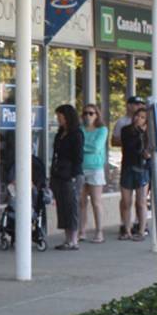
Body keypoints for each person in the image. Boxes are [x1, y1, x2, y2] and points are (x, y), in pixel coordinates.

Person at [50, 105, 84, 250]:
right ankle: (67, 237)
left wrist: (74, 175)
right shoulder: (60, 134)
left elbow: (78, 157)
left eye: (60, 116)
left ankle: (74, 239)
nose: (58, 119)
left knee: (72, 205)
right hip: (59, 173)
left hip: (71, 174)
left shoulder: (76, 134)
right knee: (62, 206)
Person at [119, 105, 151, 241]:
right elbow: (130, 146)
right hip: (128, 167)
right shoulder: (126, 130)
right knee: (126, 201)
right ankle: (127, 229)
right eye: (137, 116)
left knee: (141, 202)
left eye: (142, 117)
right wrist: (139, 133)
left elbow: (150, 150)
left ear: (146, 121)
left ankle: (142, 230)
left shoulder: (148, 133)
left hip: (142, 169)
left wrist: (148, 155)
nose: (138, 119)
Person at [78, 103, 108, 243]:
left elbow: (96, 147)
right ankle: (82, 231)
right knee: (81, 202)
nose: (88, 116)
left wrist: (82, 147)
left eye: (91, 113)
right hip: (80, 168)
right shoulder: (80, 130)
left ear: (97, 115)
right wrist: (83, 147)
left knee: (96, 201)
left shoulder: (102, 130)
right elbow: (76, 146)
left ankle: (99, 232)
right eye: (85, 113)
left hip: (95, 167)